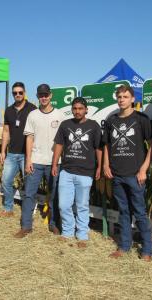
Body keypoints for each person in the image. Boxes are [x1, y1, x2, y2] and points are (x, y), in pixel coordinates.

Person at [103, 85, 152, 260]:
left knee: (139, 212)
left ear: (133, 99)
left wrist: (143, 169)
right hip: (117, 174)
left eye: (125, 96)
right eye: (119, 97)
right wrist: (106, 165)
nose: (122, 99)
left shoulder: (141, 119)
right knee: (123, 212)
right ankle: (124, 246)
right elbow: (107, 145)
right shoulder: (112, 121)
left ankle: (147, 250)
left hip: (135, 175)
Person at [14, 83, 64, 238]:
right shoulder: (33, 115)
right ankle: (26, 226)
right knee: (29, 194)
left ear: (50, 96)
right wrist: (28, 160)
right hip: (35, 161)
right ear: (37, 97)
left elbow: (62, 142)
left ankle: (54, 224)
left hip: (54, 163)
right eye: (41, 95)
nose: (43, 98)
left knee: (55, 194)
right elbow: (29, 138)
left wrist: (57, 162)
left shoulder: (60, 115)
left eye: (46, 95)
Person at [51, 97, 102, 248]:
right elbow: (59, 145)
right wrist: (55, 164)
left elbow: (98, 148)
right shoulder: (66, 125)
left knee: (82, 205)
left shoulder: (94, 126)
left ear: (86, 109)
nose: (77, 111)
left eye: (80, 108)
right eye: (75, 108)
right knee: (64, 205)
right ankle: (67, 232)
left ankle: (82, 234)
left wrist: (99, 167)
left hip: (85, 173)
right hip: (66, 171)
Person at [0, 82, 37, 217]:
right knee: (6, 181)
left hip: (27, 155)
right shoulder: (8, 110)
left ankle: (28, 209)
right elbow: (6, 131)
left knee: (29, 183)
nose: (18, 95)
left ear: (24, 92)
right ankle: (8, 208)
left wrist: (32, 156)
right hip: (12, 153)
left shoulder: (32, 109)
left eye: (20, 92)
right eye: (15, 93)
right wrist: (3, 151)